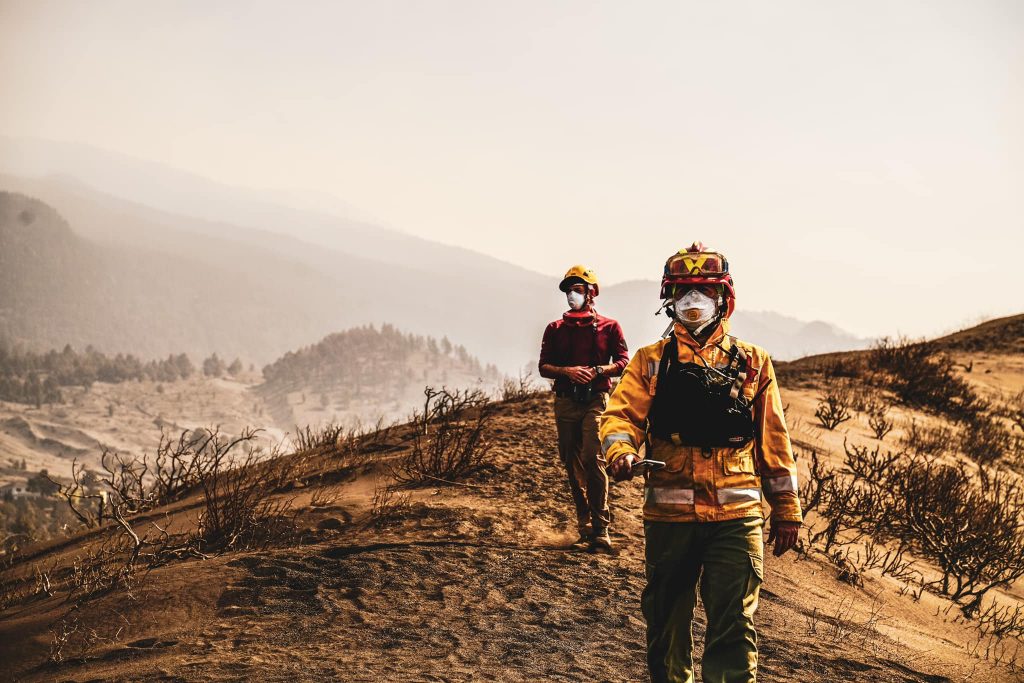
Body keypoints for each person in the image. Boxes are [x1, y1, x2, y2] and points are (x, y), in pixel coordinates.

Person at [599, 243, 801, 682]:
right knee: (666, 623)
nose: (694, 301)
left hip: (737, 516)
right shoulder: (650, 361)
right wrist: (620, 452)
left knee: (733, 626)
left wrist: (786, 509)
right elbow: (619, 416)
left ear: (723, 298)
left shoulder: (753, 362)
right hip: (670, 517)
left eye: (704, 291)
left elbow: (773, 440)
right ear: (668, 299)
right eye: (683, 291)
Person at [539, 265, 629, 552]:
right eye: (569, 290)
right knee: (571, 462)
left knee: (593, 457)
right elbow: (544, 367)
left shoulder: (609, 326)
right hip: (565, 401)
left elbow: (623, 360)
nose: (571, 295)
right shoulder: (555, 329)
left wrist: (600, 369)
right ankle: (585, 527)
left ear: (591, 293)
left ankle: (602, 529)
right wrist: (568, 371)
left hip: (596, 400)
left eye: (577, 289)